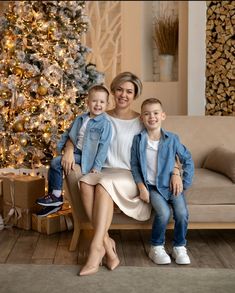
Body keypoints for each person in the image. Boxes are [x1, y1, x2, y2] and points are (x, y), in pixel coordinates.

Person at [61, 72, 183, 276]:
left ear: (135, 94)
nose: (123, 95)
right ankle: (107, 244)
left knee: (102, 185)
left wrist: (176, 171)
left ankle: (95, 249)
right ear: (113, 92)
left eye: (129, 91)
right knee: (85, 182)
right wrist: (69, 149)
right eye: (119, 90)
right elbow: (76, 134)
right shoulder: (100, 115)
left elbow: (167, 146)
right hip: (102, 170)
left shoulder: (142, 119)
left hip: (128, 174)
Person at [131, 98, 194, 265]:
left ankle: (179, 246)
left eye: (156, 113)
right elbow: (135, 166)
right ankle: (156, 247)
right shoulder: (138, 141)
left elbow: (187, 159)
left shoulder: (172, 139)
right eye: (147, 114)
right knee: (164, 213)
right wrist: (141, 187)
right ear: (141, 118)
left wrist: (183, 180)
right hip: (152, 187)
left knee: (181, 213)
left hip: (171, 185)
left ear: (163, 116)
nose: (152, 117)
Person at [36, 84, 112, 217]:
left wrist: (97, 166)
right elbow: (69, 133)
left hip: (86, 157)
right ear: (88, 102)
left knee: (55, 163)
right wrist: (61, 148)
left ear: (107, 104)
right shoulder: (81, 118)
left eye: (102, 102)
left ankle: (56, 197)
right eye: (94, 101)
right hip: (76, 151)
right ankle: (55, 200)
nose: (98, 105)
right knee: (55, 163)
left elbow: (103, 147)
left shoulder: (105, 124)